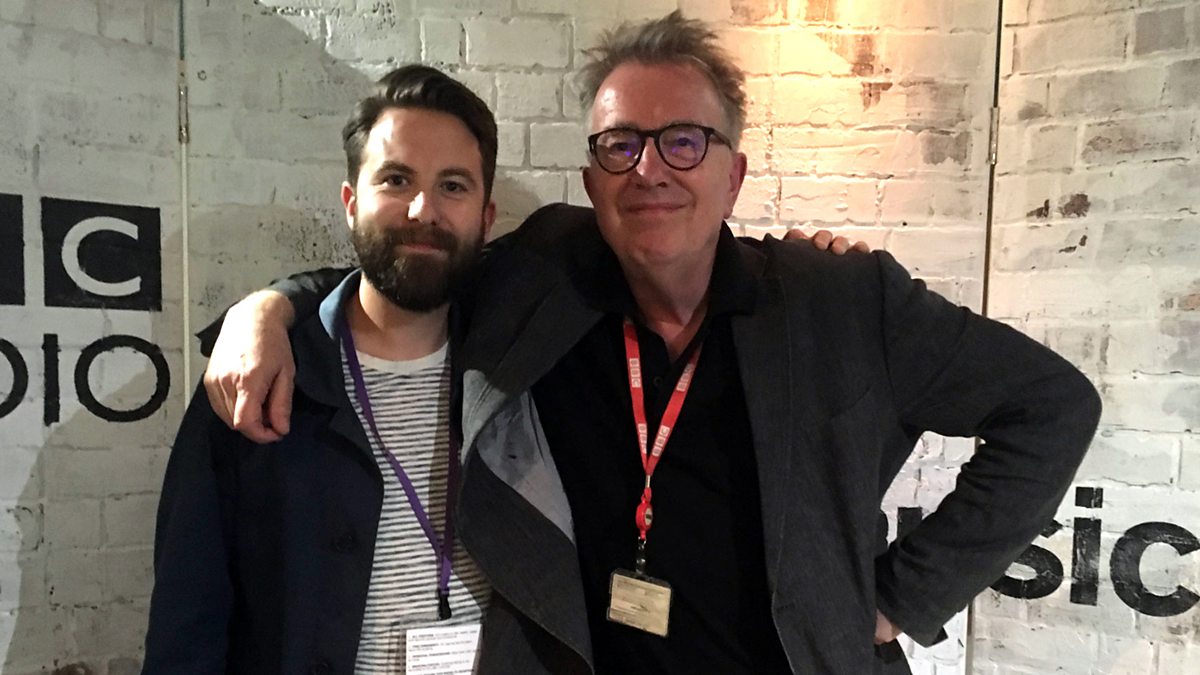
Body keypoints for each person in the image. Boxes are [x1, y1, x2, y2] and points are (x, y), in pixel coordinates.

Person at [201, 12, 1101, 675]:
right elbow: (408, 259)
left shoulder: (838, 300)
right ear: (591, 178)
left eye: (683, 142)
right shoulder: (544, 277)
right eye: (620, 145)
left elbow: (1052, 406)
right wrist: (269, 308)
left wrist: (903, 596)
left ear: (733, 174)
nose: (649, 170)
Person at [143, 65, 498, 673]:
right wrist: (264, 310)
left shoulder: (517, 365)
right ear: (351, 203)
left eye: (453, 186)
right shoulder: (258, 376)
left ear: (487, 217)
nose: (423, 210)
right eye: (396, 179)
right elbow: (187, 619)